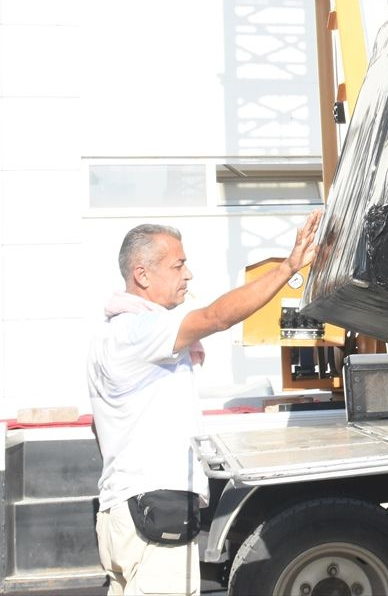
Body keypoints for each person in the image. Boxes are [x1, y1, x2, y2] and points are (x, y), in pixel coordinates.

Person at [88, 209, 321, 595]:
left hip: (120, 510)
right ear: (142, 275)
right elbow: (215, 316)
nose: (188, 275)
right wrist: (288, 268)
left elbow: (100, 426)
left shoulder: (108, 335)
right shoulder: (140, 329)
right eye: (178, 265)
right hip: (153, 506)